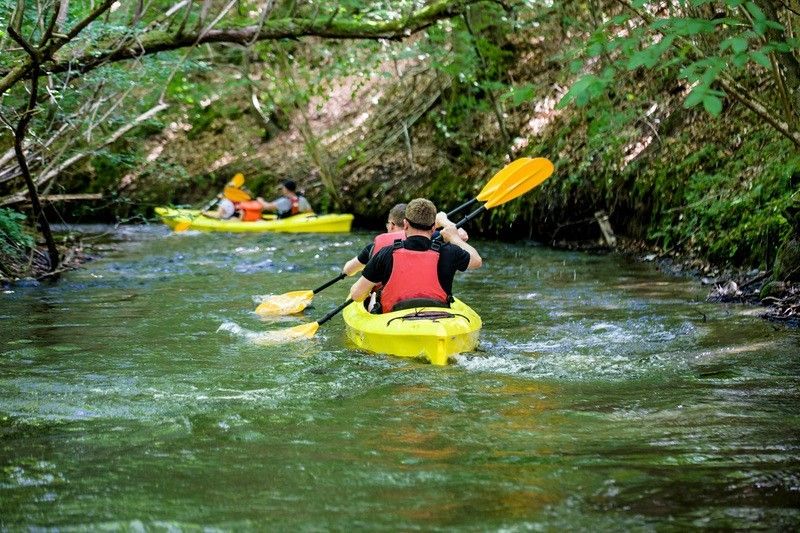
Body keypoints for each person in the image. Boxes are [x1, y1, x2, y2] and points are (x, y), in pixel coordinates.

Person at [349, 198, 482, 313]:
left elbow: (356, 295)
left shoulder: (386, 253)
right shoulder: (449, 251)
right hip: (437, 321)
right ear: (433, 228)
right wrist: (454, 237)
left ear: (405, 224)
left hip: (394, 323)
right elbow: (477, 261)